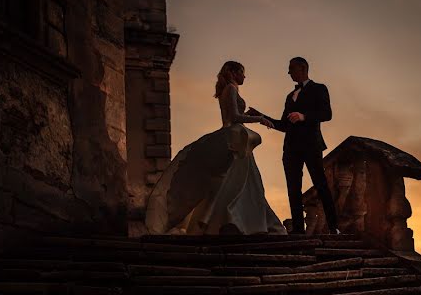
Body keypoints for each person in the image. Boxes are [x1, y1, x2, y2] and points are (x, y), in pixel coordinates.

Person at [145, 61, 287, 235]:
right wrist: (258, 119)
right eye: (242, 72)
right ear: (234, 73)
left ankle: (228, 220)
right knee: (242, 182)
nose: (244, 76)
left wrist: (249, 116)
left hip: (234, 136)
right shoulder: (232, 89)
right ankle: (238, 221)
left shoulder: (228, 89)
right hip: (234, 137)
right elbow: (234, 117)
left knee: (231, 182)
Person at [252, 57, 340, 234]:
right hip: (291, 149)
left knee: (320, 185)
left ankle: (334, 228)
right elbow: (284, 125)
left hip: (311, 145)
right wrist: (260, 117)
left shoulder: (319, 89)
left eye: (291, 68)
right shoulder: (289, 97)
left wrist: (303, 116)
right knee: (293, 189)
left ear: (303, 68)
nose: (288, 72)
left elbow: (327, 113)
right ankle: (299, 231)